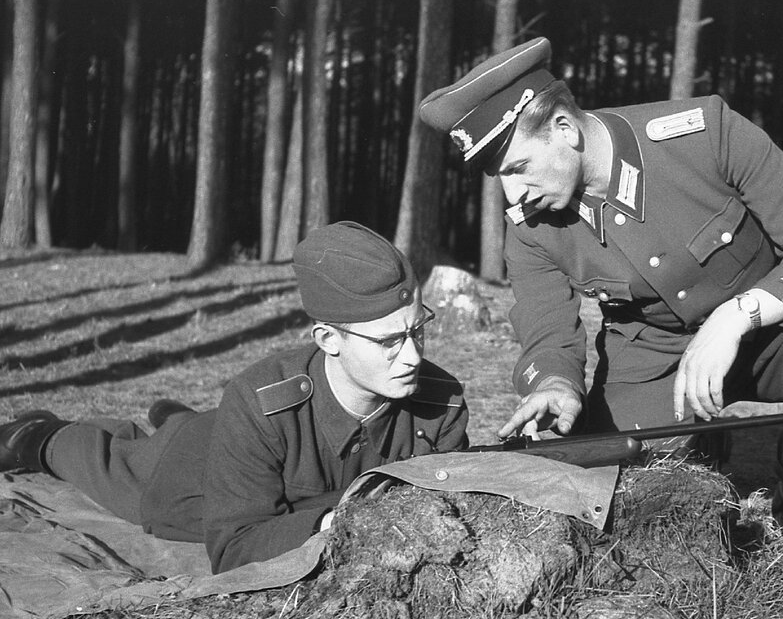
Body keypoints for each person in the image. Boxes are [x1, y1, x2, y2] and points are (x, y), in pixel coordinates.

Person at [418, 38, 783, 555]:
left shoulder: (703, 134)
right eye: (500, 178)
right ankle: (701, 442)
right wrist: (555, 384)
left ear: (565, 129)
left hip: (772, 333)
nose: (513, 195)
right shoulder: (532, 225)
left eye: (517, 168)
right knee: (619, 484)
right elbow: (546, 328)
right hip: (658, 363)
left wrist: (739, 315)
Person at [0, 222, 469, 573]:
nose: (412, 356)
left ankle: (174, 415)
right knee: (117, 467)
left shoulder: (441, 402)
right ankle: (39, 434)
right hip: (194, 471)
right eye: (389, 341)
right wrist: (339, 524)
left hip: (248, 450)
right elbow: (233, 547)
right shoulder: (262, 401)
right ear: (328, 339)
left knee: (204, 427)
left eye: (418, 331)